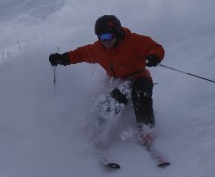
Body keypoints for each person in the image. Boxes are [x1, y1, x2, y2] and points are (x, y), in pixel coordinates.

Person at [49, 15, 165, 145]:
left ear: (117, 31)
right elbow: (80, 54)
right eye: (101, 37)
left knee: (140, 92)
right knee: (114, 99)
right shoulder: (99, 49)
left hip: (139, 76)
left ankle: (146, 130)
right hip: (119, 81)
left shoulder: (135, 41)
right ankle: (97, 134)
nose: (105, 41)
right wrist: (62, 59)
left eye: (108, 36)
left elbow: (155, 48)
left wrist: (154, 56)